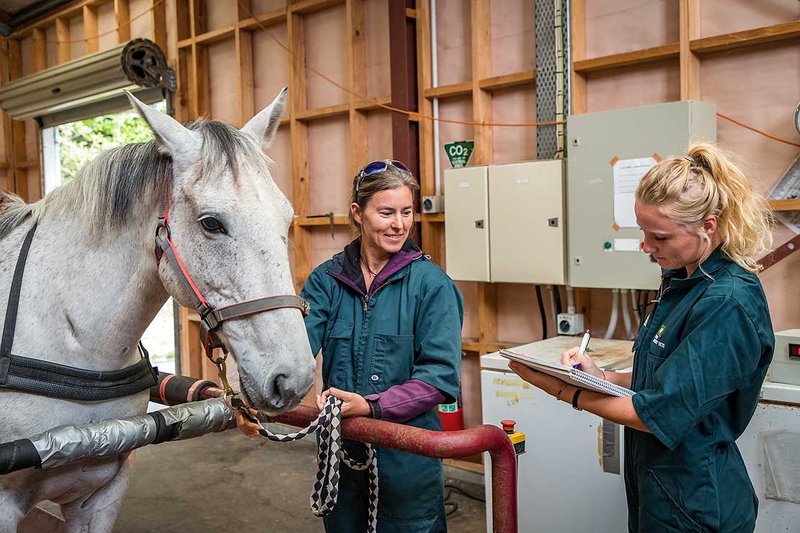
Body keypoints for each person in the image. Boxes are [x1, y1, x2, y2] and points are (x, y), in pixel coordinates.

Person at [510, 143, 774, 532]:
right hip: (661, 488)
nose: (647, 247)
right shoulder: (684, 280)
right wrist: (600, 378)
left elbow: (659, 414)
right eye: (643, 232)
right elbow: (664, 377)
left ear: (709, 226)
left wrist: (569, 393)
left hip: (697, 503)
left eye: (661, 237)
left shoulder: (726, 302)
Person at [239, 159, 463, 532]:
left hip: (407, 459)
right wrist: (255, 396)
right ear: (358, 213)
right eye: (386, 212)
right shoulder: (326, 281)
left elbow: (439, 379)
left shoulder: (432, 286)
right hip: (340, 456)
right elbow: (295, 351)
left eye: (407, 212)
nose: (399, 224)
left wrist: (372, 406)